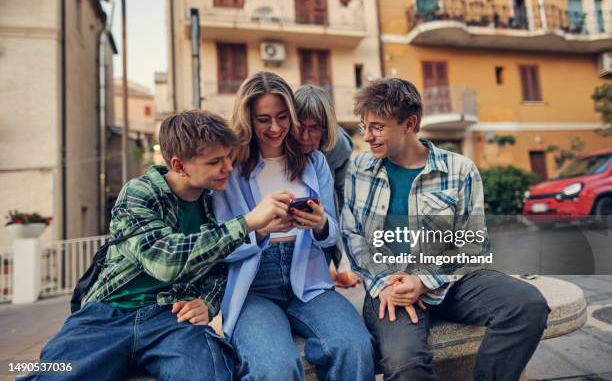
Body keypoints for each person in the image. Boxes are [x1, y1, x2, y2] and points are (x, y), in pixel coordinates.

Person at [25, 111, 285, 380]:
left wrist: (206, 303)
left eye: (228, 158)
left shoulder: (216, 202)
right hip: (106, 316)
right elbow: (164, 260)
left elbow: (220, 268)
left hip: (173, 319)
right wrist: (247, 223)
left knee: (211, 374)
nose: (228, 168)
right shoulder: (139, 193)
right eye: (215, 161)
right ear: (179, 165)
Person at [342, 78, 550, 381]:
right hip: (390, 285)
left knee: (527, 305)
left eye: (377, 127)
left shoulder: (459, 169)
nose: (368, 137)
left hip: (453, 281)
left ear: (409, 123)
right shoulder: (358, 169)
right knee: (404, 363)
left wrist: (424, 280)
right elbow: (353, 236)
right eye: (364, 127)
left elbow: (473, 242)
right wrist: (385, 283)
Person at [213, 72, 375, 381]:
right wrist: (260, 228)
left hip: (309, 281)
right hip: (254, 288)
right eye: (263, 119)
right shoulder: (230, 169)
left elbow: (331, 236)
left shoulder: (314, 163)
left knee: (356, 347)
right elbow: (219, 246)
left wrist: (321, 224)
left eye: (282, 117)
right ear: (247, 118)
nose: (274, 128)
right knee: (275, 367)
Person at [293, 84, 360, 288]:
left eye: (314, 128)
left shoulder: (338, 146)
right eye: (299, 127)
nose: (305, 137)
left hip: (325, 203)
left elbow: (339, 201)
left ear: (326, 128)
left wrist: (342, 263)